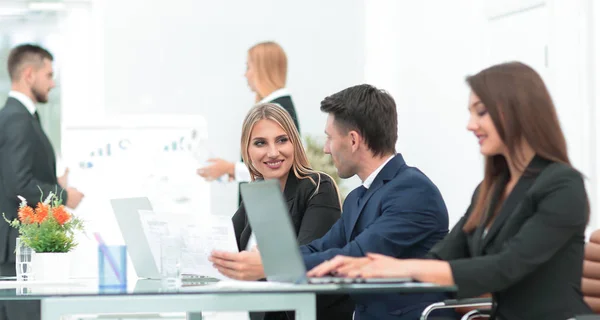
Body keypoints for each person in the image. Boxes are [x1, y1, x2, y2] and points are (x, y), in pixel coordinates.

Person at [311, 62, 594, 320]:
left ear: (517, 111)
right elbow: (444, 254)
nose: (471, 125)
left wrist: (403, 268)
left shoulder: (562, 185)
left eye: (481, 112)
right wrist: (371, 265)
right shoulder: (490, 189)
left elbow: (505, 267)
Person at [302, 84, 451, 319]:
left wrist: (272, 267)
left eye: (330, 138)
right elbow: (322, 247)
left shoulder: (413, 191)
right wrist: (272, 259)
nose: (326, 149)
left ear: (353, 140)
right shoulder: (357, 198)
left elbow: (358, 256)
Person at [209, 103, 353, 320]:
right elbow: (224, 247)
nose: (273, 152)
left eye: (282, 140)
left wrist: (263, 262)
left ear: (294, 143)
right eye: (260, 143)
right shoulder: (257, 195)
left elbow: (308, 261)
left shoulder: (317, 187)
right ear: (246, 151)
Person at [0, 44, 84, 319]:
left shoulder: (19, 117)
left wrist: (52, 180)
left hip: (17, 251)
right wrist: (62, 195)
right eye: (48, 75)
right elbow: (19, 185)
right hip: (16, 253)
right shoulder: (17, 119)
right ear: (28, 74)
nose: (53, 83)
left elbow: (14, 174)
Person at [197, 41, 300, 183]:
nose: (246, 75)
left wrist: (231, 168)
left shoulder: (274, 111)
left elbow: (277, 168)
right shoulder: (278, 106)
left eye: (248, 67)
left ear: (262, 69)